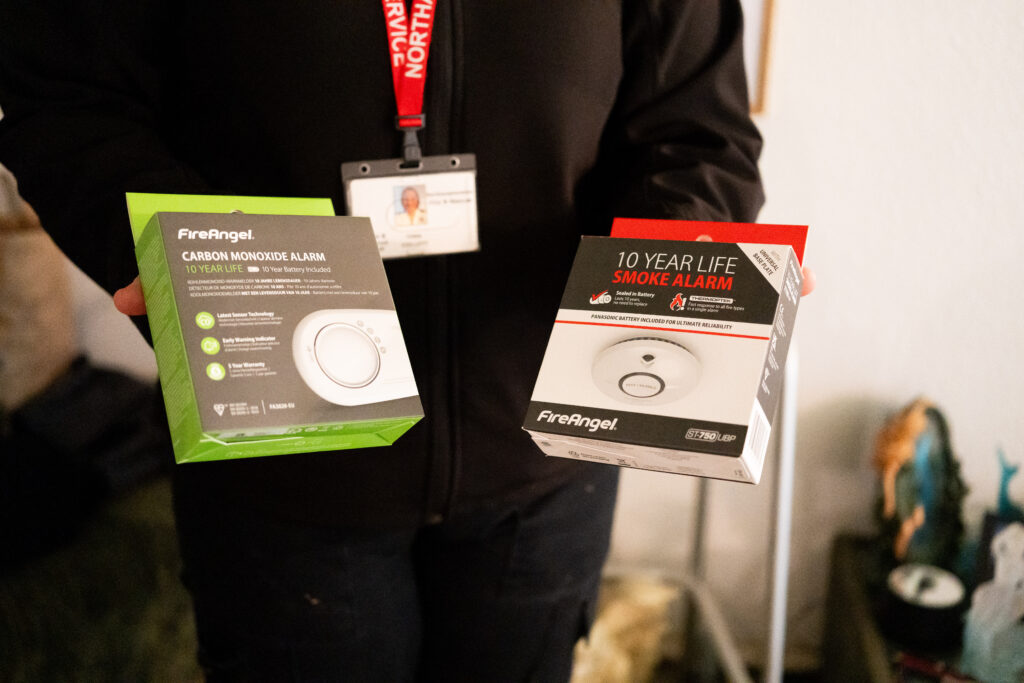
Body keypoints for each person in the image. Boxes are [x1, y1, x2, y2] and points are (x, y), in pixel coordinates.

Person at [0, 2, 809, 680]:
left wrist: (683, 253)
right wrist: (165, 244)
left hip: (544, 461)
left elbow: (694, 126)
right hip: (279, 458)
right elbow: (65, 99)